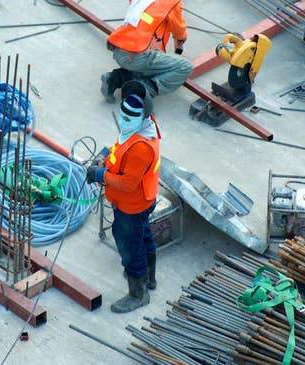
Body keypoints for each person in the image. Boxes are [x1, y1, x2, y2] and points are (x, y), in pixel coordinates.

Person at [87, 81, 161, 313]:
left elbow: (128, 184)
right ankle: (149, 278)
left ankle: (138, 294)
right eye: (123, 115)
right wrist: (107, 155)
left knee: (131, 248)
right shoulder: (142, 128)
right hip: (142, 202)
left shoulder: (141, 148)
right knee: (143, 236)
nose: (124, 120)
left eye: (130, 118)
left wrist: (101, 174)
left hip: (132, 205)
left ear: (142, 116)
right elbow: (122, 147)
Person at [100, 0, 193, 101]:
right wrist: (180, 44)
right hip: (138, 54)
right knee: (185, 67)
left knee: (149, 66)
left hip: (118, 48)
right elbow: (179, 30)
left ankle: (114, 79)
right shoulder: (172, 3)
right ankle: (143, 90)